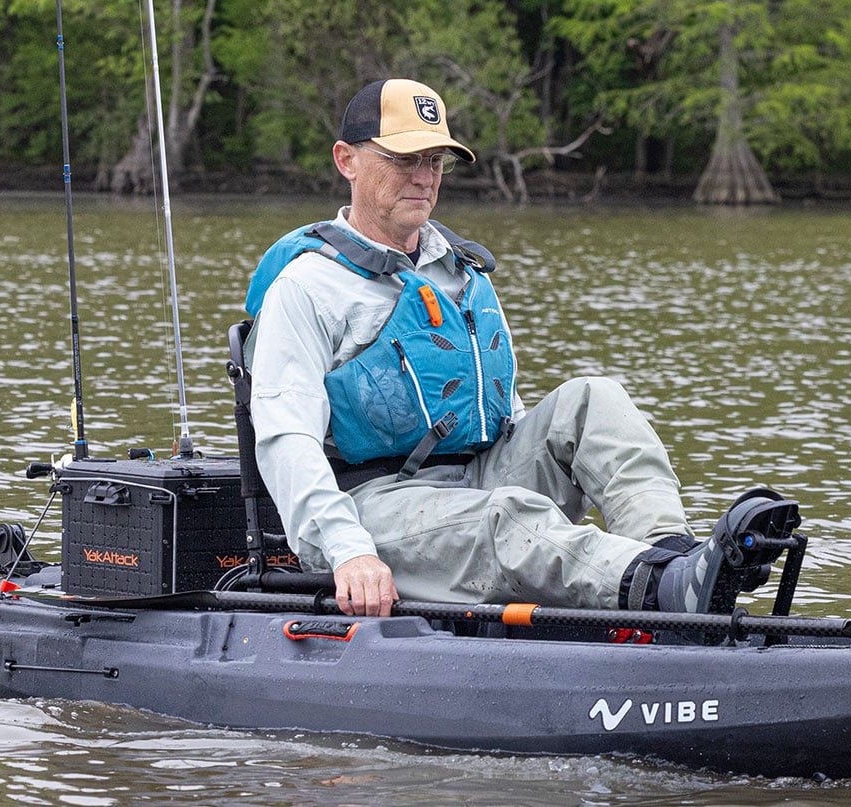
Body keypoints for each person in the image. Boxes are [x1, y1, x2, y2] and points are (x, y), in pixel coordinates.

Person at [246, 78, 799, 618]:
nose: (423, 177)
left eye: (435, 161)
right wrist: (350, 551)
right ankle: (658, 587)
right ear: (347, 160)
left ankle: (673, 561)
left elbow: (501, 414)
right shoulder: (306, 287)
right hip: (370, 507)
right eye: (403, 159)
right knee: (507, 516)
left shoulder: (461, 274)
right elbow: (284, 439)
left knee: (594, 398)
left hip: (472, 482)